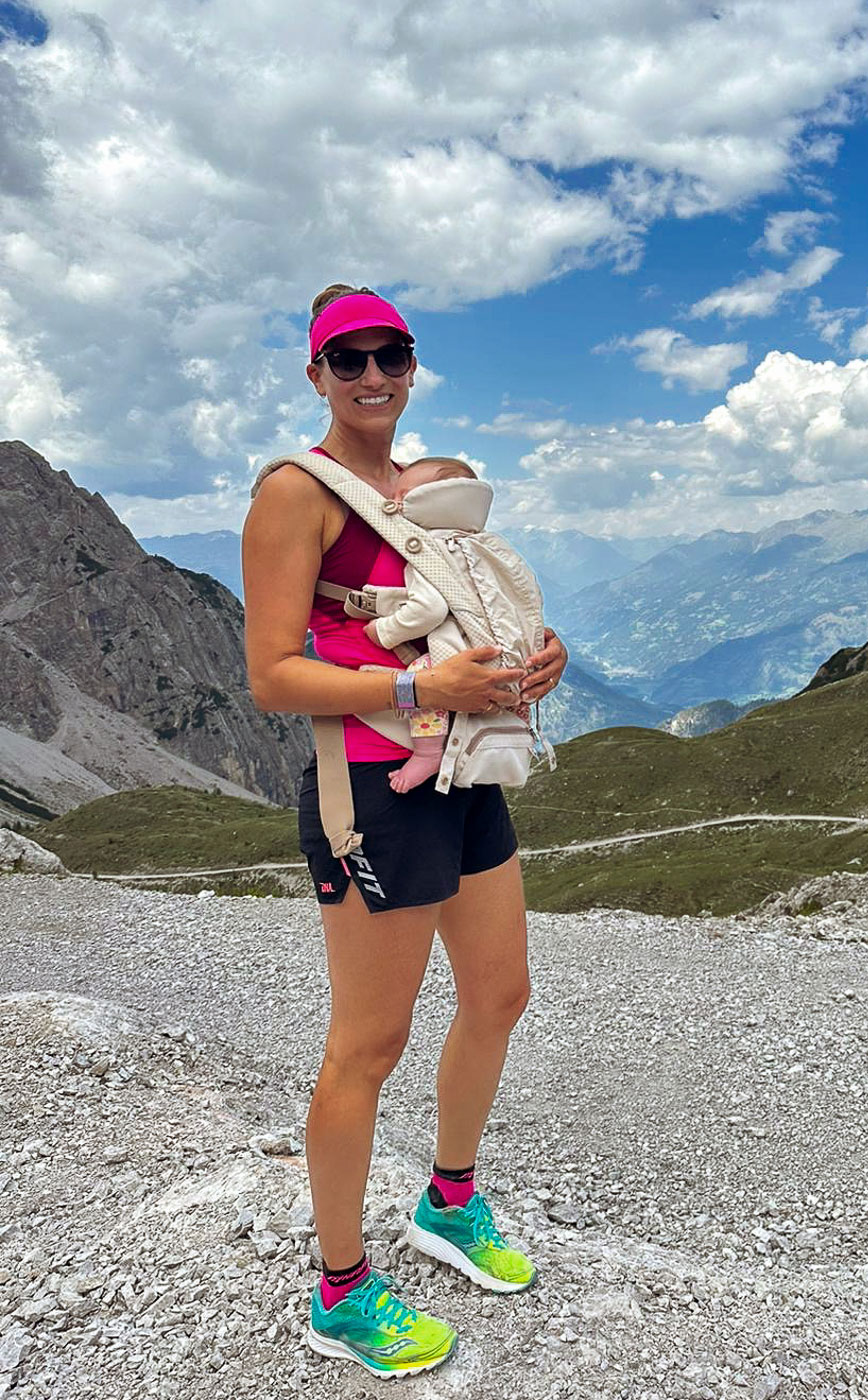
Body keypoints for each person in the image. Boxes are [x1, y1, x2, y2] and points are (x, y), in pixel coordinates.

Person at [241, 283, 568, 1380]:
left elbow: (473, 614)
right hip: (372, 793)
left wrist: (528, 656)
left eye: (392, 353)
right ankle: (339, 1290)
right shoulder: (297, 493)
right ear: (316, 373)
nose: (373, 374)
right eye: (349, 358)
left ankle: (449, 1200)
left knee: (500, 993)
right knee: (367, 1044)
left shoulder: (419, 487)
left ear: (413, 362)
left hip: (468, 771)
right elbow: (271, 673)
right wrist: (416, 676)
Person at [360, 455, 535, 795]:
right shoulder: (486, 546)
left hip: (465, 654)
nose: (395, 502)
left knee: (424, 678)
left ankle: (427, 752)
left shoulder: (429, 551)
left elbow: (429, 609)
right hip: (510, 654)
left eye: (404, 495)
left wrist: (383, 631)